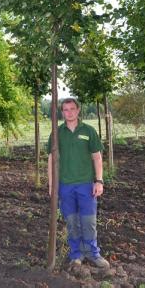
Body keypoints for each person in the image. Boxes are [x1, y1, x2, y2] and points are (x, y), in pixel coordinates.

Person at [47, 97, 110, 270]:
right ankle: (76, 254)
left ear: (78, 110)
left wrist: (99, 181)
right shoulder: (57, 133)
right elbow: (51, 160)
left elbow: (97, 157)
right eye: (65, 110)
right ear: (62, 112)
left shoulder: (89, 131)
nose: (69, 112)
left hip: (86, 185)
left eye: (72, 109)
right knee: (72, 222)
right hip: (65, 186)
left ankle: (93, 253)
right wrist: (52, 186)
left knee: (89, 221)